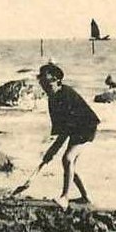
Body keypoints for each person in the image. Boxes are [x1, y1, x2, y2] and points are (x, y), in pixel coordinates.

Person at [36, 63, 99, 209]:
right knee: (70, 165)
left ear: (57, 80)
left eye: (48, 84)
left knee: (67, 159)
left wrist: (52, 151)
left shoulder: (67, 95)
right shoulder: (52, 99)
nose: (46, 88)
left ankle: (64, 197)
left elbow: (64, 132)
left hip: (87, 127)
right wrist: (50, 153)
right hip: (75, 129)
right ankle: (86, 197)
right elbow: (60, 128)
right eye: (43, 85)